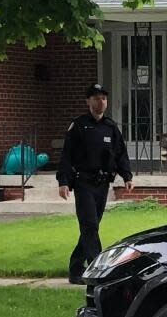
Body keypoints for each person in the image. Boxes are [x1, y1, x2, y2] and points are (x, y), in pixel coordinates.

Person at [57, 84, 134, 284]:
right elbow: (67, 155)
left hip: (102, 184)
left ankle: (75, 269)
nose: (101, 102)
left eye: (104, 98)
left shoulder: (110, 127)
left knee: (91, 228)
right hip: (83, 183)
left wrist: (127, 176)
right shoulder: (79, 126)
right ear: (88, 101)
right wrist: (63, 181)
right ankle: (98, 270)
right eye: (97, 98)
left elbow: (120, 153)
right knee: (89, 225)